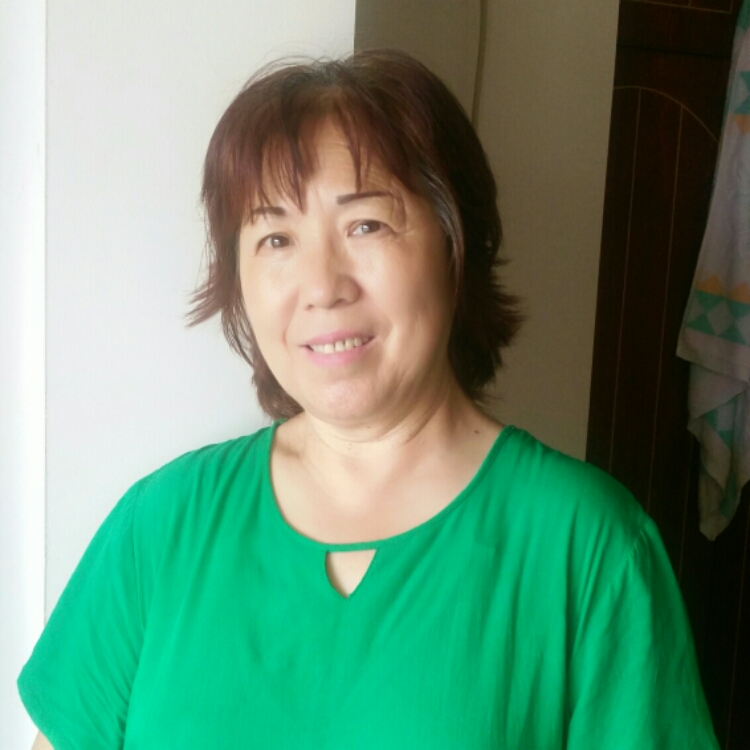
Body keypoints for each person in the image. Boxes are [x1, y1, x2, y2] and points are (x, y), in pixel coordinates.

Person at [20, 50, 719, 749]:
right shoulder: (160, 525)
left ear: (456, 244)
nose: (323, 286)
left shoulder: (588, 547)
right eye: (275, 238)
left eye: (366, 226)